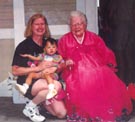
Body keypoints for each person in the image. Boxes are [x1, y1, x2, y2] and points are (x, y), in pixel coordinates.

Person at [58, 10, 133, 121]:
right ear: (70, 26)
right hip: (75, 70)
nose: (77, 27)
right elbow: (60, 59)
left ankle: (104, 112)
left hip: (96, 67)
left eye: (79, 24)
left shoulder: (94, 37)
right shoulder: (64, 40)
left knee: (105, 76)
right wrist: (65, 63)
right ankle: (86, 114)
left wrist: (109, 65)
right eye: (74, 24)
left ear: (85, 24)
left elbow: (105, 52)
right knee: (86, 76)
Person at [12, 13, 66, 122]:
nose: (40, 27)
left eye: (43, 24)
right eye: (37, 24)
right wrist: (37, 68)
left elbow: (61, 62)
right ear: (31, 26)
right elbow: (15, 71)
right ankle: (30, 107)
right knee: (56, 85)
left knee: (61, 113)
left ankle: (39, 101)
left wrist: (56, 67)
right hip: (30, 81)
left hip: (47, 79)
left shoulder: (50, 43)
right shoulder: (24, 46)